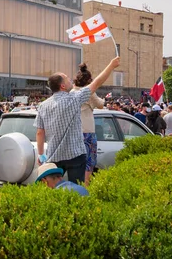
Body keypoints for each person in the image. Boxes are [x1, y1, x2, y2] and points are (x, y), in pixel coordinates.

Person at [35, 57, 120, 185]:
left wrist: (41, 154)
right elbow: (96, 83)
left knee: (53, 190)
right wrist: (111, 66)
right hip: (75, 155)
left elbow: (40, 133)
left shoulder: (43, 106)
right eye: (67, 79)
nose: (71, 80)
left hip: (54, 156)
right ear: (62, 86)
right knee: (76, 190)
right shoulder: (74, 99)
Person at [71, 63, 104, 186]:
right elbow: (100, 104)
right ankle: (85, 186)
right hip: (88, 131)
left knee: (75, 162)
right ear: (89, 80)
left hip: (74, 132)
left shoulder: (71, 92)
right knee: (89, 163)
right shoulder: (89, 92)